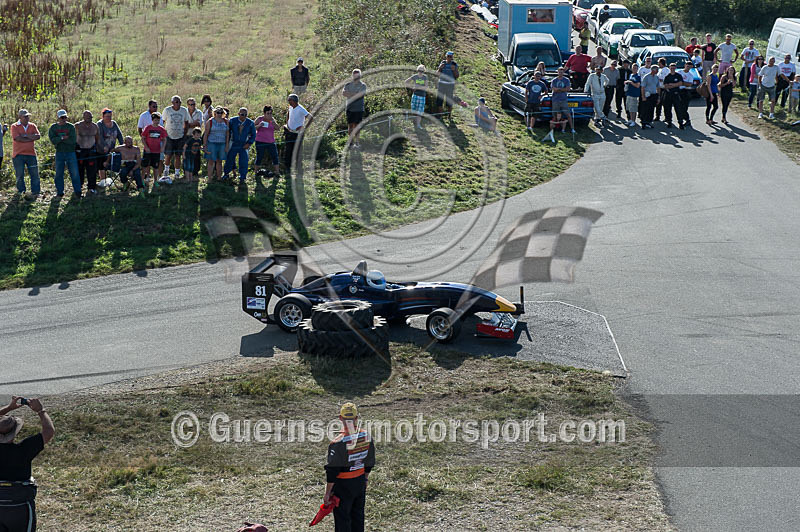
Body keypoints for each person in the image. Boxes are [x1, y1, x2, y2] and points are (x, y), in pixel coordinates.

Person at [0, 396, 55, 532]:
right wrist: (41, 411)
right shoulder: (24, 450)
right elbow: (49, 431)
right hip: (20, 505)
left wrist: (8, 408)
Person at [323, 403, 375, 532]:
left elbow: (332, 470)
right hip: (359, 482)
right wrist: (365, 479)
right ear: (357, 418)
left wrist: (328, 492)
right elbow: (369, 461)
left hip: (343, 486)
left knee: (342, 519)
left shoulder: (338, 442)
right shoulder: (366, 436)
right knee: (358, 517)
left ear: (340, 418)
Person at [48, 109, 81, 198]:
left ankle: (78, 191)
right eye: (62, 117)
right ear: (58, 118)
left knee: (74, 173)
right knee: (59, 173)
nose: (64, 119)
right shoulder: (53, 128)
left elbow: (72, 141)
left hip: (70, 152)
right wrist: (63, 138)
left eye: (65, 117)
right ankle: (60, 191)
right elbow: (53, 140)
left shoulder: (71, 127)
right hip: (59, 153)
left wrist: (59, 139)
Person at [11, 109, 41, 198]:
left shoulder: (32, 125)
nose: (27, 118)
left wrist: (26, 136)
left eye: (28, 116)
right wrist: (31, 137)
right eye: (25, 116)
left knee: (35, 174)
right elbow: (17, 138)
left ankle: (35, 192)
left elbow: (38, 136)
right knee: (20, 175)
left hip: (31, 154)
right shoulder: (14, 126)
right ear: (20, 117)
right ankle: (21, 192)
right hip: (18, 154)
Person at [223, 107, 256, 183]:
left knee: (243, 161)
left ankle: (243, 176)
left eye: (245, 115)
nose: (243, 116)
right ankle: (226, 174)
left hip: (244, 144)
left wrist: (249, 143)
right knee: (229, 159)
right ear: (238, 114)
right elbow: (228, 132)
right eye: (242, 114)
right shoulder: (232, 121)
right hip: (234, 143)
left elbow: (253, 135)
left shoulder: (250, 123)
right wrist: (227, 143)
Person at [162, 95, 190, 180]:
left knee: (178, 156)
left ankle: (177, 173)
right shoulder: (167, 110)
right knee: (168, 155)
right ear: (172, 103)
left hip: (180, 136)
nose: (178, 104)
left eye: (180, 102)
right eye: (177, 102)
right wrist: (164, 134)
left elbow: (186, 122)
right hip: (169, 136)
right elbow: (162, 122)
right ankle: (166, 170)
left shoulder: (184, 110)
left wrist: (184, 134)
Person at [75, 111, 100, 196]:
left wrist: (95, 147)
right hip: (80, 151)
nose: (89, 118)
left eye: (90, 117)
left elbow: (97, 138)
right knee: (80, 170)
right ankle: (79, 187)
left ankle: (91, 187)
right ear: (83, 117)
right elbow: (74, 137)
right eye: (87, 117)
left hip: (91, 151)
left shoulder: (95, 126)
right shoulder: (77, 126)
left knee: (92, 170)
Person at [284, 93, 311, 173]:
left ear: (294, 101)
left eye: (289, 100)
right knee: (288, 150)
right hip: (289, 132)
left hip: (297, 133)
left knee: (298, 151)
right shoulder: (290, 107)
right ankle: (288, 168)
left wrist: (304, 127)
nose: (288, 101)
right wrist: (287, 123)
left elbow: (311, 118)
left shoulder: (301, 109)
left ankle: (299, 168)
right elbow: (288, 114)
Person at [96, 108, 123, 184]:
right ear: (103, 116)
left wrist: (122, 145)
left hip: (111, 149)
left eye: (110, 116)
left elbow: (119, 135)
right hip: (101, 149)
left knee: (110, 164)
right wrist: (104, 146)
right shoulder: (100, 124)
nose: (109, 118)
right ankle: (103, 182)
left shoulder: (114, 123)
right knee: (102, 166)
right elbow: (99, 137)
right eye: (107, 116)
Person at [342, 68, 368, 148]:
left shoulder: (363, 85)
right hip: (349, 108)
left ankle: (357, 142)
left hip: (359, 109)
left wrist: (350, 94)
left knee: (357, 126)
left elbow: (360, 95)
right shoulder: (348, 84)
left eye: (357, 75)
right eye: (354, 75)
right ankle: (350, 142)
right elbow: (344, 93)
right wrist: (355, 94)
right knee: (350, 126)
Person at [203, 107, 229, 181]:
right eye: (218, 112)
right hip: (212, 143)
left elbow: (227, 134)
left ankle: (219, 177)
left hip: (222, 143)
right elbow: (206, 134)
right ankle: (209, 177)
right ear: (214, 113)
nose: (219, 114)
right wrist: (205, 145)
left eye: (221, 112)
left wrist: (227, 145)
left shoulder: (226, 121)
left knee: (219, 161)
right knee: (211, 160)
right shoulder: (210, 121)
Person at [254, 106, 280, 177]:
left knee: (275, 156)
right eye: (268, 113)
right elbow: (252, 128)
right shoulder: (260, 119)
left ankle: (277, 172)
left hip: (271, 142)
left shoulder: (272, 119)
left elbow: (278, 128)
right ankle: (256, 172)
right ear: (264, 113)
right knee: (259, 156)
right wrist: (259, 125)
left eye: (271, 113)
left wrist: (274, 123)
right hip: (260, 141)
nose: (270, 115)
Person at [141, 112, 167, 183]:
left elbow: (164, 139)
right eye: (155, 120)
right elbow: (143, 138)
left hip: (157, 151)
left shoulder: (161, 129)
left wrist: (163, 147)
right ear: (152, 120)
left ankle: (155, 181)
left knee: (155, 167)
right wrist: (146, 147)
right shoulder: (148, 128)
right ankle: (142, 180)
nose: (156, 122)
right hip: (148, 150)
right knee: (145, 166)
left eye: (158, 120)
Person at [436, 51, 459, 120]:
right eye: (448, 56)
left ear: (452, 57)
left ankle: (449, 116)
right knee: (440, 100)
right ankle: (440, 116)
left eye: (451, 56)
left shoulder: (454, 64)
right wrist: (440, 68)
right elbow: (437, 74)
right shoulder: (443, 63)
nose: (449, 58)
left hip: (450, 85)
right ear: (446, 56)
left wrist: (454, 70)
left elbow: (457, 76)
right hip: (441, 84)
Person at [550, 67, 574, 133]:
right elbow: (554, 89)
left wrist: (559, 89)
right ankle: (554, 129)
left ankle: (572, 128)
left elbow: (568, 89)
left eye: (562, 72)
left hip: (563, 100)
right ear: (557, 72)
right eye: (559, 72)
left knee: (568, 115)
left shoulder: (566, 80)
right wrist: (562, 89)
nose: (560, 73)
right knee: (555, 115)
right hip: (555, 100)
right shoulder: (554, 80)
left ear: (563, 72)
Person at [661, 63, 685, 129]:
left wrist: (672, 85)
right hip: (668, 94)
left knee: (678, 109)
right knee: (667, 109)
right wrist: (675, 85)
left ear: (675, 68)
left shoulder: (678, 76)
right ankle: (669, 122)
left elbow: (680, 83)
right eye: (671, 68)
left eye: (673, 68)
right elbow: (665, 86)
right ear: (669, 68)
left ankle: (680, 123)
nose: (672, 69)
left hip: (676, 94)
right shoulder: (667, 76)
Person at [405, 65, 428, 129]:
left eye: (422, 71)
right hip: (415, 95)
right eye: (419, 70)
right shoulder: (414, 76)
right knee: (414, 110)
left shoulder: (425, 77)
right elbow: (406, 81)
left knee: (420, 111)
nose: (420, 72)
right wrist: (411, 87)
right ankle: (414, 123)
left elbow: (426, 87)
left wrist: (417, 87)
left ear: (424, 71)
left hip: (422, 96)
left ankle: (418, 125)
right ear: (417, 70)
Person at [639, 64, 660, 128]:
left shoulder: (656, 77)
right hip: (647, 95)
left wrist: (658, 97)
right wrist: (643, 96)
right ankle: (644, 122)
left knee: (651, 109)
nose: (657, 71)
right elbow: (642, 87)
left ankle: (649, 122)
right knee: (645, 109)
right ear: (653, 70)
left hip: (653, 95)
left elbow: (658, 87)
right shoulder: (646, 77)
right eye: (657, 70)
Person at [678, 60, 695, 128]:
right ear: (685, 65)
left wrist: (681, 83)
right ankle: (681, 119)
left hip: (686, 92)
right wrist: (683, 83)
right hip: (678, 90)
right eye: (687, 65)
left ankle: (687, 120)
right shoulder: (679, 72)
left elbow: (689, 84)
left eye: (689, 66)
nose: (687, 67)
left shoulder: (690, 75)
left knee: (684, 107)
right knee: (679, 106)